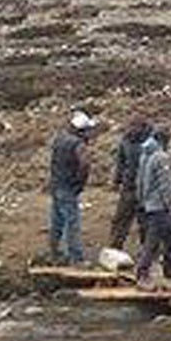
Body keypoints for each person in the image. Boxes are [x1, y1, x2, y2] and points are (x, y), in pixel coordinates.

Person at [48, 110, 96, 265]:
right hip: (68, 187)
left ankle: (55, 253)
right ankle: (77, 258)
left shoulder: (59, 138)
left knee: (57, 221)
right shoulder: (78, 144)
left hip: (56, 185)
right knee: (72, 223)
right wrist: (79, 184)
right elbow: (85, 165)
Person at [134, 125, 171, 284]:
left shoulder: (144, 155)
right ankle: (144, 271)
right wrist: (170, 206)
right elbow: (164, 185)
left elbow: (139, 180)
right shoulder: (161, 157)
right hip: (158, 206)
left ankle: (169, 270)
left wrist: (141, 200)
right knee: (160, 240)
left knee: (166, 238)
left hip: (147, 204)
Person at [108, 115, 150, 250]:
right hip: (129, 186)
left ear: (142, 127)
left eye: (134, 127)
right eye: (130, 126)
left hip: (146, 188)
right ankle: (114, 247)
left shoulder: (150, 142)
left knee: (145, 222)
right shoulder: (125, 141)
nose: (131, 130)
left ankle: (148, 251)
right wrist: (116, 180)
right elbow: (120, 163)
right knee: (121, 219)